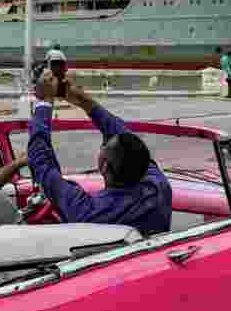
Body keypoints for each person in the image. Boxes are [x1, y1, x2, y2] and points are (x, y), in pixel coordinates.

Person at [29, 70, 172, 235]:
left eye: (104, 146)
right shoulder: (158, 187)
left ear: (104, 166)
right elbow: (124, 135)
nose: (104, 143)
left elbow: (40, 161)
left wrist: (45, 102)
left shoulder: (88, 213)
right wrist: (83, 100)